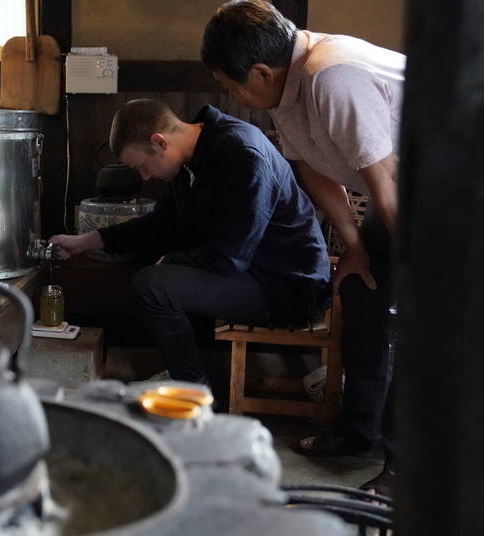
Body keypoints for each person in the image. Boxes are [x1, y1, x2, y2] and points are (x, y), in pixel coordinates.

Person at [201, 0, 403, 494]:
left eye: (231, 86)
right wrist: (354, 246)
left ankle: (408, 468)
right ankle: (360, 432)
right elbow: (311, 167)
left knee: (418, 321)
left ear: (260, 71)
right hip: (396, 191)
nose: (234, 98)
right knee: (363, 294)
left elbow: (387, 180)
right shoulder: (288, 88)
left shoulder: (333, 77)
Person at [49, 98, 331, 386]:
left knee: (153, 285)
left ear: (159, 142)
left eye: (142, 166)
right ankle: (186, 379)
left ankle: (190, 390)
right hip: (252, 272)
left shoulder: (242, 154)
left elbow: (230, 257)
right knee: (153, 272)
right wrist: (86, 241)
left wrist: (171, 260)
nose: (145, 177)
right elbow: (160, 224)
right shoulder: (189, 161)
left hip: (288, 286)